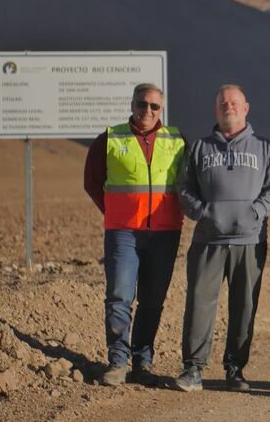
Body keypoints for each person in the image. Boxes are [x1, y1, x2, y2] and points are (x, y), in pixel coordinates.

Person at [171, 84, 270, 392]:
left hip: (250, 241)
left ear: (246, 108)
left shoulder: (265, 148)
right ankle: (193, 368)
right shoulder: (200, 148)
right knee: (199, 304)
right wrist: (203, 211)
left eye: (234, 103)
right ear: (215, 109)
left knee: (244, 307)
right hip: (208, 241)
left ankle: (235, 369)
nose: (228, 107)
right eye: (222, 103)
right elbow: (184, 187)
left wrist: (255, 212)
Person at [83, 83, 185, 387]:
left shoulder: (177, 141)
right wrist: (116, 211)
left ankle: (142, 363)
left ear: (161, 109)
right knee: (119, 296)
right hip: (124, 233)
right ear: (132, 105)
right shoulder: (110, 138)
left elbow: (188, 183)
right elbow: (92, 181)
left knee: (153, 300)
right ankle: (117, 363)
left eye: (154, 106)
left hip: (165, 234)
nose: (147, 111)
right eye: (142, 104)